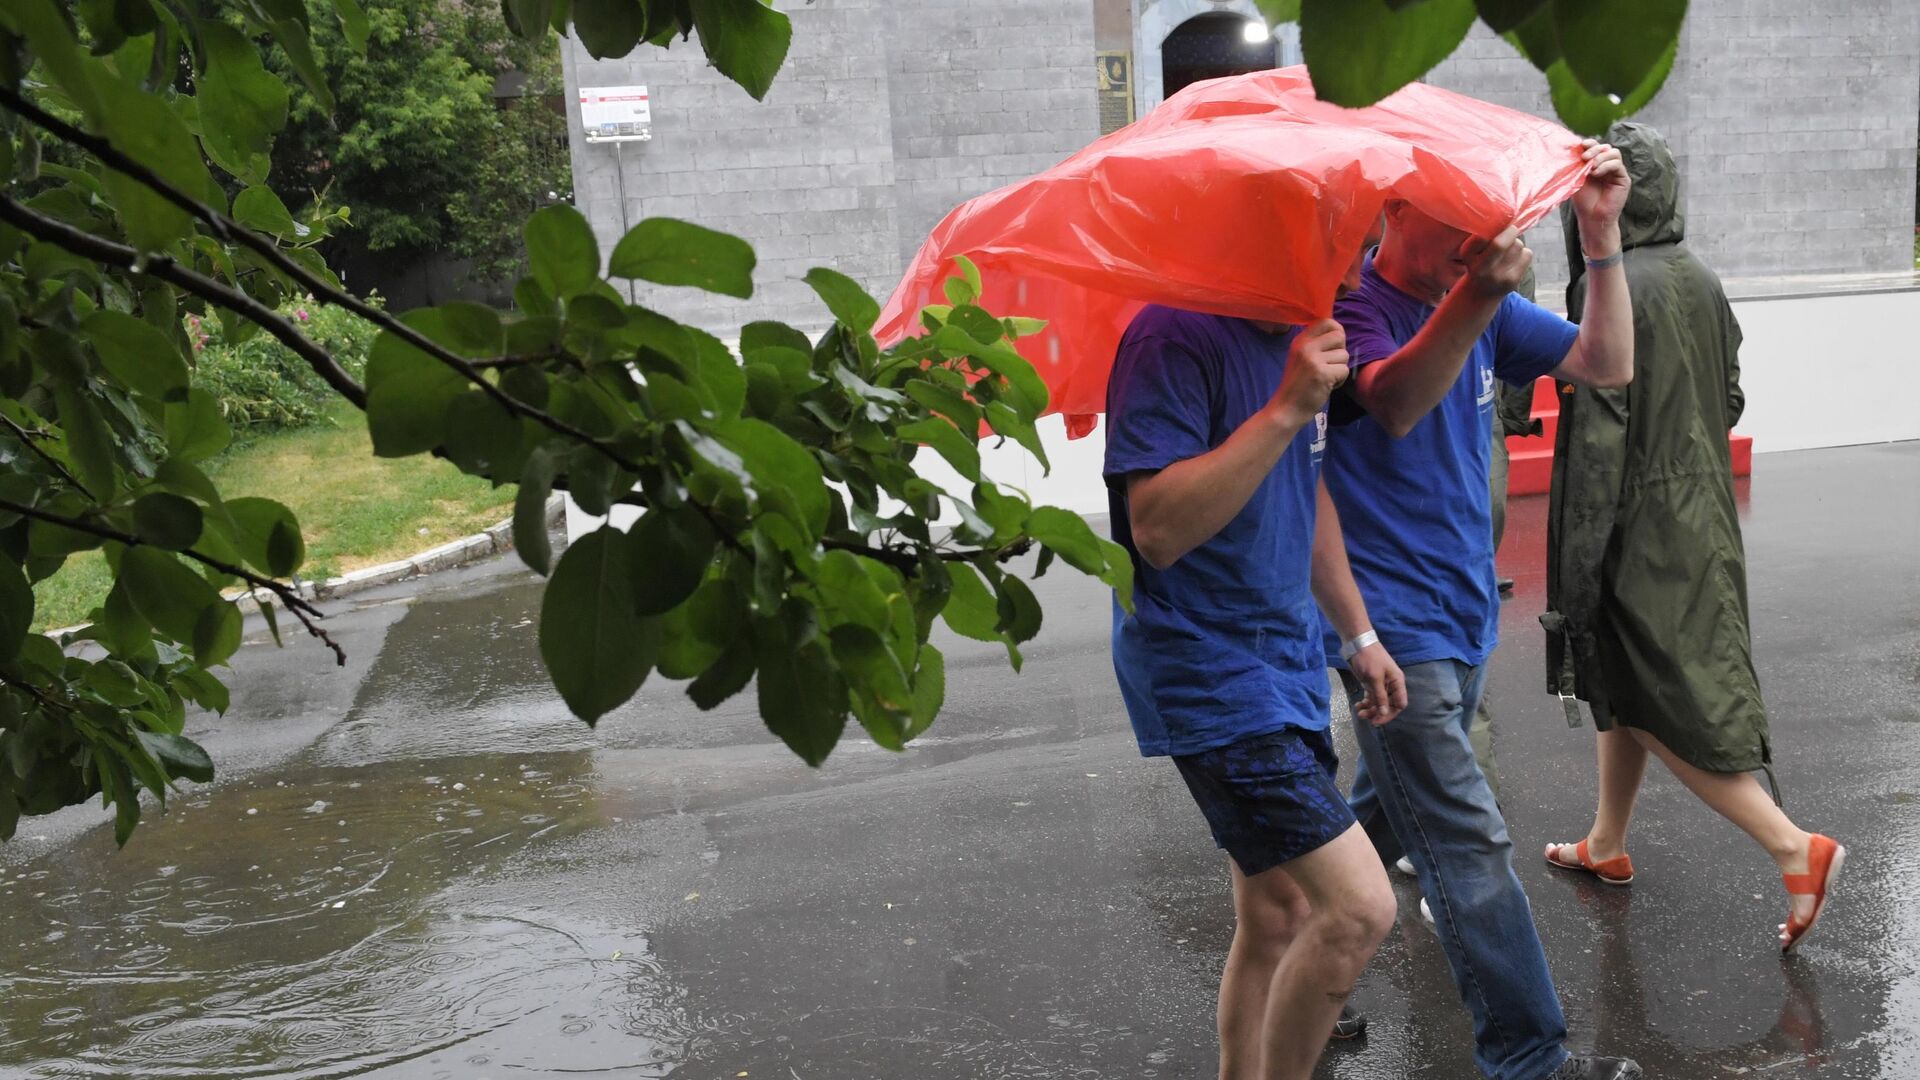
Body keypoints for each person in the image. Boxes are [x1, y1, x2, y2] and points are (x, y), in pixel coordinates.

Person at [1326, 139, 1643, 1080]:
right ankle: (1531, 1060)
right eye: (1453, 222)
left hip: (1462, 614)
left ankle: (1304, 966)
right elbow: (1393, 402)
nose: (1474, 241)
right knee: (1468, 844)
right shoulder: (1351, 310)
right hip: (1392, 629)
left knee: (1383, 815)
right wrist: (1477, 293)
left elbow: (1605, 360)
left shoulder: (1482, 306)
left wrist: (1598, 232)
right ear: (1394, 213)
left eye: (1484, 222)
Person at [1105, 232, 1410, 1080]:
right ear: (1276, 239)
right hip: (1207, 673)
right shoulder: (1172, 336)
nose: (1359, 274)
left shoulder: (1302, 333)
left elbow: (1301, 485)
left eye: (1368, 247)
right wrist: (1285, 406)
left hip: (1283, 665)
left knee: (1277, 913)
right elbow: (1158, 530)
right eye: (1343, 251)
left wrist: (1359, 635)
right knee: (1358, 908)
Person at [1540, 122, 1843, 953]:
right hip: (1701, 507)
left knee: (1658, 694)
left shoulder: (1604, 285)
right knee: (1630, 676)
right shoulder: (1700, 277)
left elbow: (1600, 441)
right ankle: (1606, 842)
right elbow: (1730, 396)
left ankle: (1793, 847)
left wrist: (1577, 564)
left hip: (1635, 519)